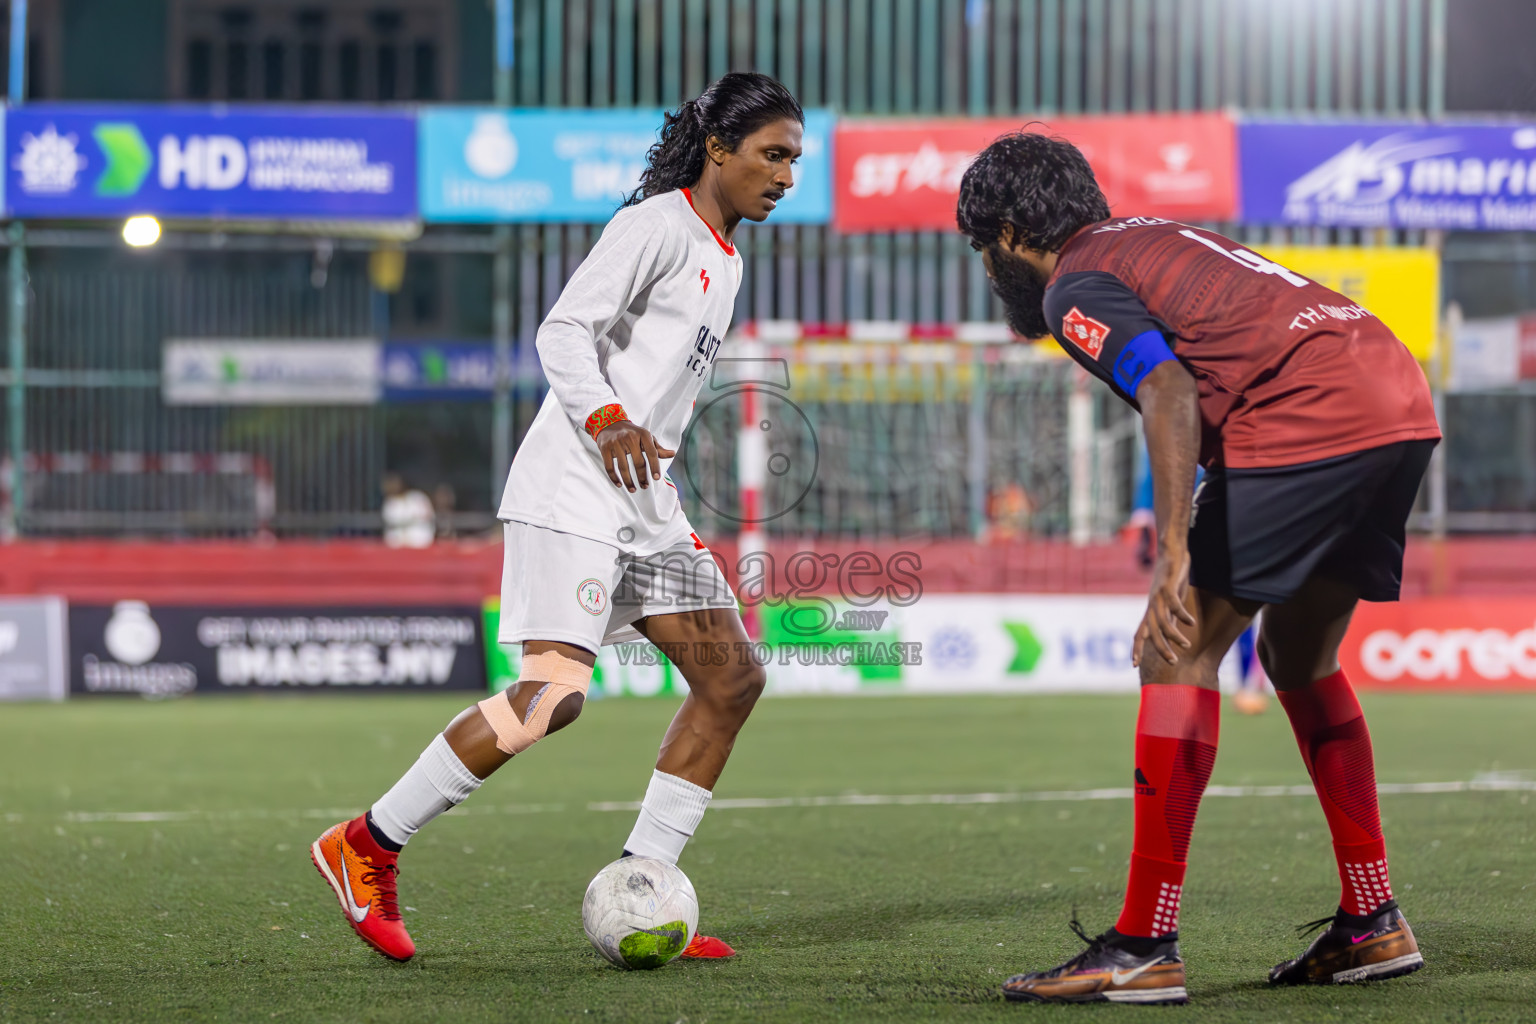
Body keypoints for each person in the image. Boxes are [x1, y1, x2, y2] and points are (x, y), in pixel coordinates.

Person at [310, 72, 804, 963]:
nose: (787, 174)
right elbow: (562, 331)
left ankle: (645, 885)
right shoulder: (652, 226)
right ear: (719, 150)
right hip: (573, 487)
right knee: (553, 700)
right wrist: (608, 419)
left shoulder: (725, 257)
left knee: (732, 681)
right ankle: (367, 844)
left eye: (795, 160)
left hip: (645, 504)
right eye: (773, 155)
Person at [957, 132, 1440, 1005]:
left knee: (1173, 650)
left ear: (1007, 229)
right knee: (1300, 659)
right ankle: (1373, 921)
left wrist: (1172, 556)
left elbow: (1170, 390)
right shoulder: (1153, 237)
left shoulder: (1074, 284)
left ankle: (1144, 946)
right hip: (1394, 394)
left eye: (983, 248)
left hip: (1308, 407)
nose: (989, 267)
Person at [381, 472, 435, 548]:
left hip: (420, 542)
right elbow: (391, 522)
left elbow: (429, 516)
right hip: (397, 545)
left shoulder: (418, 497)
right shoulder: (389, 504)